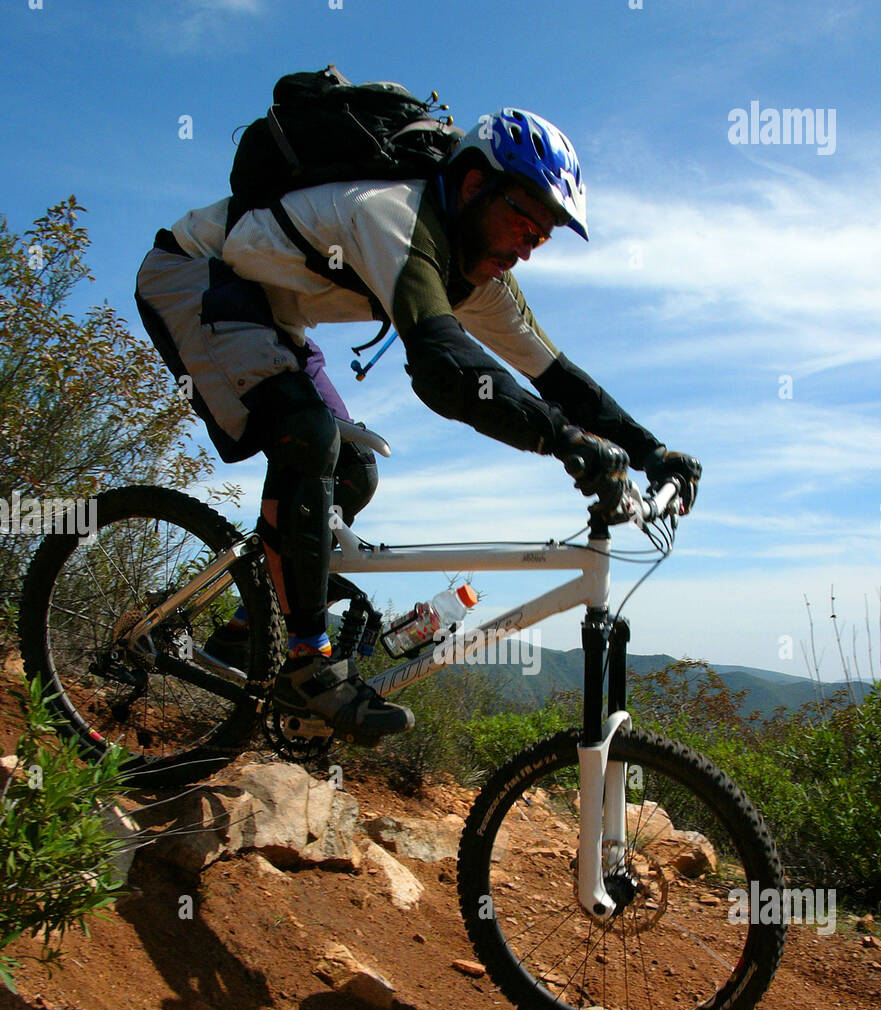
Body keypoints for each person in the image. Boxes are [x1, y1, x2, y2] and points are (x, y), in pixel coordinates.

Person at [135, 106, 700, 744]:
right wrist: (565, 443)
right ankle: (308, 663)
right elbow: (444, 368)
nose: (524, 250)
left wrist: (651, 450)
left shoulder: (481, 276)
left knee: (353, 469)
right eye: (521, 222)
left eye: (538, 239)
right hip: (196, 277)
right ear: (471, 186)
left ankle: (249, 625)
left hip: (271, 313)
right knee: (306, 433)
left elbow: (559, 379)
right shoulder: (390, 214)